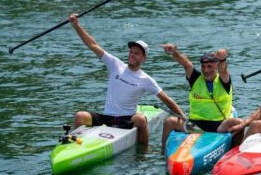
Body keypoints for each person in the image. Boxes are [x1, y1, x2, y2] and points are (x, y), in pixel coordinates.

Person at [68, 14, 185, 145]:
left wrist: (184, 118)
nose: (132, 55)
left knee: (140, 119)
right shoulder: (115, 64)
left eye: (136, 53)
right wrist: (76, 25)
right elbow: (92, 44)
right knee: (80, 116)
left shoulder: (145, 79)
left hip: (127, 120)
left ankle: (144, 153)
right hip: (106, 118)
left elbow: (167, 100)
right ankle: (74, 147)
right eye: (131, 51)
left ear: (143, 58)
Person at [160, 43, 244, 152]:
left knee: (240, 124)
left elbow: (223, 70)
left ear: (216, 66)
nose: (206, 70)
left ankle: (234, 152)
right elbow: (186, 64)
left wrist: (222, 59)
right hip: (195, 126)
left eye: (210, 66)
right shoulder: (195, 78)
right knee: (169, 121)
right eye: (203, 67)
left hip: (219, 126)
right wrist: (174, 52)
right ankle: (164, 152)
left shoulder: (224, 80)